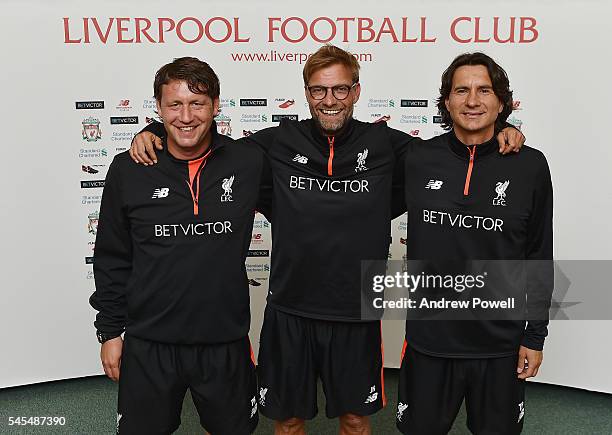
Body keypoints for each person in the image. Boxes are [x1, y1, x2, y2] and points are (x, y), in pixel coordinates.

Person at [130, 45, 525, 435]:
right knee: (287, 421)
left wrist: (501, 130)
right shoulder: (275, 143)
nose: (329, 99)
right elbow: (204, 140)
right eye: (319, 90)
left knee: (355, 421)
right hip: (289, 310)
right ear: (307, 93)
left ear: (355, 91)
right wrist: (153, 129)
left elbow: (456, 150)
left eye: (340, 89)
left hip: (355, 311)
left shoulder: (388, 145)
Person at [90, 57, 265, 434]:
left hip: (224, 341)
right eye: (174, 105)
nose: (186, 116)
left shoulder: (249, 161)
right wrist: (109, 332)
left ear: (216, 105)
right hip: (149, 342)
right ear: (158, 107)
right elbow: (111, 257)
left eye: (197, 104)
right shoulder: (129, 168)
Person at [396, 52, 553, 434]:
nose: (472, 100)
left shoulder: (530, 165)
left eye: (485, 90)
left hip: (500, 345)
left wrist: (534, 336)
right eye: (461, 90)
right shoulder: (415, 158)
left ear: (502, 101)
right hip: (430, 342)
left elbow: (538, 255)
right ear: (446, 101)